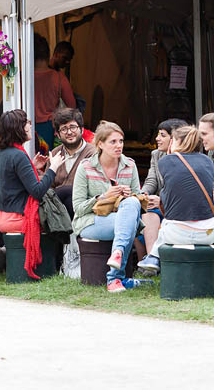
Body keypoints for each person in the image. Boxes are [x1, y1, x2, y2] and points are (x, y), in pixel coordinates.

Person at [72, 120, 142, 293]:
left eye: (121, 141)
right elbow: (78, 208)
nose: (119, 146)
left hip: (121, 217)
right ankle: (117, 277)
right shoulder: (86, 167)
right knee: (128, 224)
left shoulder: (130, 165)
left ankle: (116, 263)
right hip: (90, 221)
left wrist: (129, 197)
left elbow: (137, 202)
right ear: (100, 144)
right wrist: (104, 197)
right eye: (113, 142)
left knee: (132, 203)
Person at [0, 109, 64, 274]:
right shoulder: (18, 155)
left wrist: (32, 167)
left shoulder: (2, 153)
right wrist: (53, 167)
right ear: (18, 128)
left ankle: (3, 251)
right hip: (18, 218)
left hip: (2, 217)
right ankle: (61, 263)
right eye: (27, 122)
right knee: (60, 208)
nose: (30, 125)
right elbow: (37, 192)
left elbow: (14, 182)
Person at [137, 126, 214, 274]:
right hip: (209, 233)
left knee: (167, 223)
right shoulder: (208, 161)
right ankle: (152, 257)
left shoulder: (166, 161)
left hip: (177, 233)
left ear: (177, 141)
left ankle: (153, 257)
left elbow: (168, 200)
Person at [137, 118, 187, 262]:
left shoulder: (187, 158)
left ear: (175, 139)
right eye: (158, 134)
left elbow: (183, 191)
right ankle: (151, 261)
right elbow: (152, 179)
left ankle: (157, 260)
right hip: (160, 204)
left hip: (179, 206)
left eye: (162, 135)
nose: (157, 139)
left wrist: (162, 200)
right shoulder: (156, 154)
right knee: (145, 213)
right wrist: (144, 194)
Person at [46, 108, 96, 216]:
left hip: (84, 210)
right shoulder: (55, 154)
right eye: (63, 129)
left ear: (82, 130)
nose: (69, 132)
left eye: (73, 127)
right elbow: (48, 187)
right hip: (58, 213)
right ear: (58, 135)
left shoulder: (93, 154)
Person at [34, 34, 75, 149]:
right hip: (48, 128)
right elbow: (72, 106)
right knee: (47, 162)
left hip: (25, 126)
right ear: (49, 53)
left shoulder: (21, 77)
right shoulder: (59, 77)